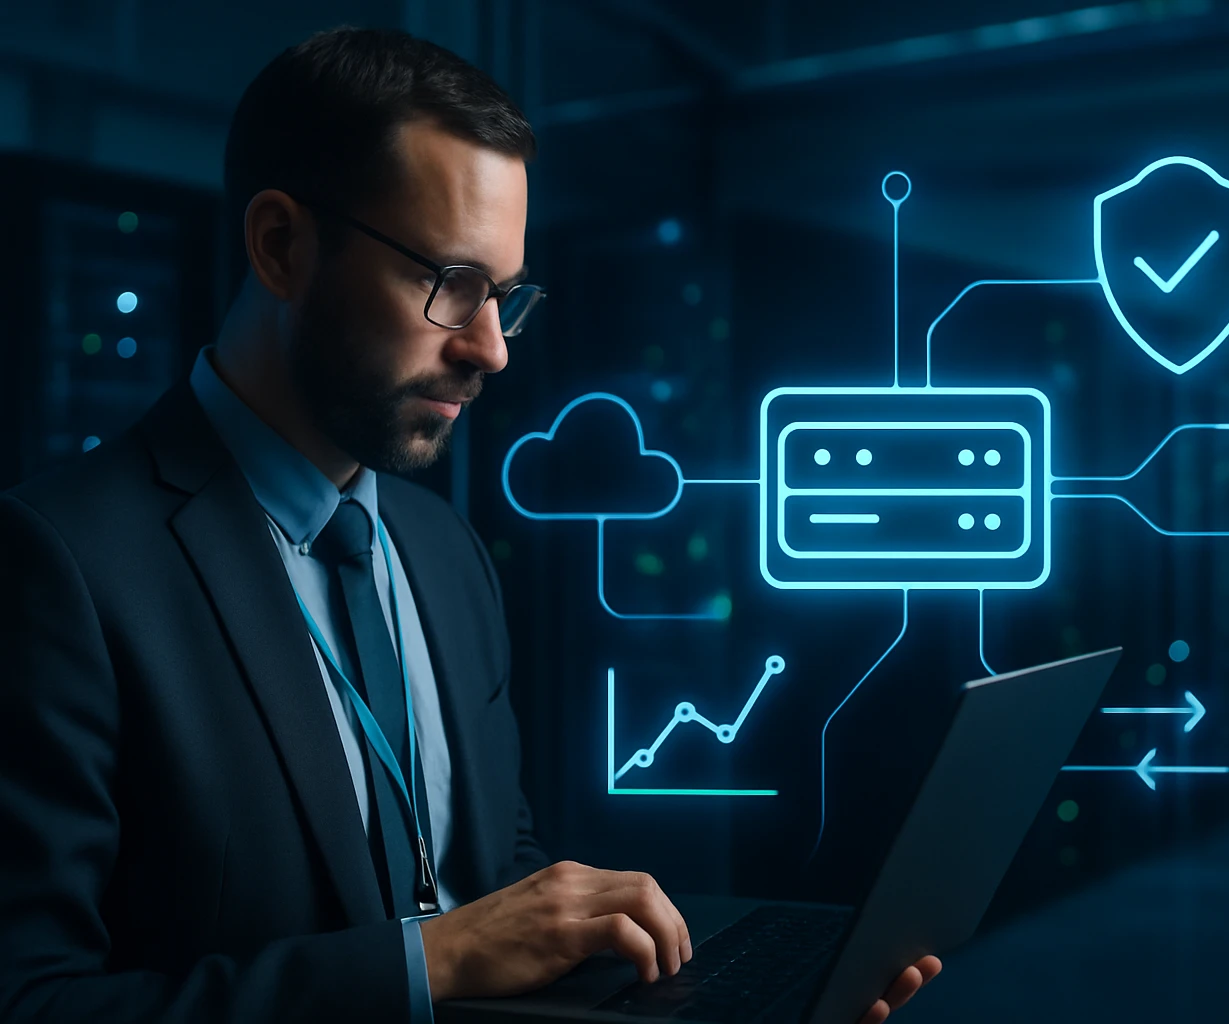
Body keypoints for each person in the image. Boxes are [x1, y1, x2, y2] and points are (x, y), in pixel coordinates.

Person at [0, 26, 940, 1024]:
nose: (492, 350)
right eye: (450, 285)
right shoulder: (57, 566)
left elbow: (486, 881)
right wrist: (419, 965)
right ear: (281, 246)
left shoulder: (445, 553)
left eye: (505, 296)